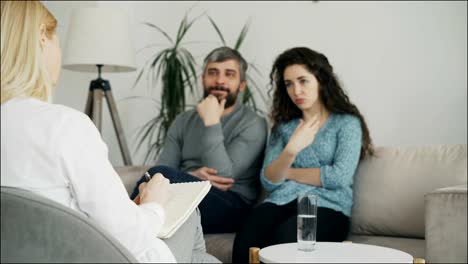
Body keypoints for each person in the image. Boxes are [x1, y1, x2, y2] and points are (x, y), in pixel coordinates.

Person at [0, 1, 219, 263]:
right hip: (107, 256)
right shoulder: (64, 127)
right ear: (41, 38)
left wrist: (130, 208)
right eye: (57, 39)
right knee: (188, 214)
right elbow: (130, 235)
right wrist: (154, 204)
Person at [231, 47, 374, 263]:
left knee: (285, 241)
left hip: (329, 207)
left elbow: (339, 177)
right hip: (280, 202)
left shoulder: (346, 123)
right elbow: (269, 180)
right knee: (248, 234)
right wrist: (291, 150)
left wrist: (289, 172)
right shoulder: (284, 127)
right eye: (289, 84)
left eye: (303, 81)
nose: (296, 90)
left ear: (321, 80)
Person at [130, 47, 268, 234]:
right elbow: (160, 172)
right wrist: (193, 176)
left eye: (229, 74)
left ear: (241, 85)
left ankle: (126, 226)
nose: (220, 80)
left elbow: (222, 175)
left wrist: (212, 122)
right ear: (203, 79)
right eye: (213, 73)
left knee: (158, 177)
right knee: (155, 177)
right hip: (185, 194)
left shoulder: (253, 123)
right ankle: (129, 232)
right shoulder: (184, 120)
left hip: (231, 205)